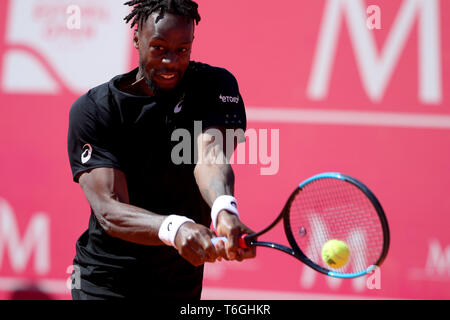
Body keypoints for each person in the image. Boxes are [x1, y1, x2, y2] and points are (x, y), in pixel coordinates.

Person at [67, 0, 256, 300]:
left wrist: (223, 208)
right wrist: (176, 228)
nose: (171, 61)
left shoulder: (215, 86)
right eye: (158, 48)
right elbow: (109, 210)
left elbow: (209, 158)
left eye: (182, 50)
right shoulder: (94, 110)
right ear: (136, 38)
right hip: (106, 283)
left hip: (180, 283)